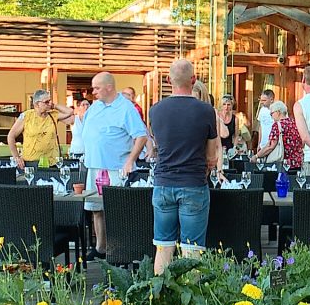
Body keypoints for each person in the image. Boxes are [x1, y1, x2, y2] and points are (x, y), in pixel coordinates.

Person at [147, 60, 218, 275]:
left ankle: (160, 298)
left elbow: (157, 145)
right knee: (192, 251)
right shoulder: (206, 111)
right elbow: (212, 155)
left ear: (168, 81)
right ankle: (189, 303)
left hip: (163, 184)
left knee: (163, 247)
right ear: (193, 80)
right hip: (194, 184)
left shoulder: (155, 111)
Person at [82, 72, 148, 258]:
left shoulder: (126, 108)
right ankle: (101, 248)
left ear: (109, 87)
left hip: (116, 168)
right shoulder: (95, 107)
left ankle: (118, 249)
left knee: (116, 211)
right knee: (96, 209)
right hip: (94, 166)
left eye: (96, 88)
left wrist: (130, 161)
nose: (93, 92)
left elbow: (141, 136)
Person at [7, 89, 74, 169]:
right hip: (31, 162)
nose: (49, 103)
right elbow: (11, 136)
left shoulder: (53, 115)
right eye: (46, 102)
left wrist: (54, 106)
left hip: (52, 163)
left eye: (50, 101)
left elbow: (70, 112)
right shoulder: (26, 116)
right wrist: (16, 157)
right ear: (37, 104)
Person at [253, 100, 304, 169]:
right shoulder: (295, 123)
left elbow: (270, 146)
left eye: (271, 114)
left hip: (283, 164)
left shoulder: (277, 125)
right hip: (298, 163)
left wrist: (256, 156)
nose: (271, 116)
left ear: (278, 112)